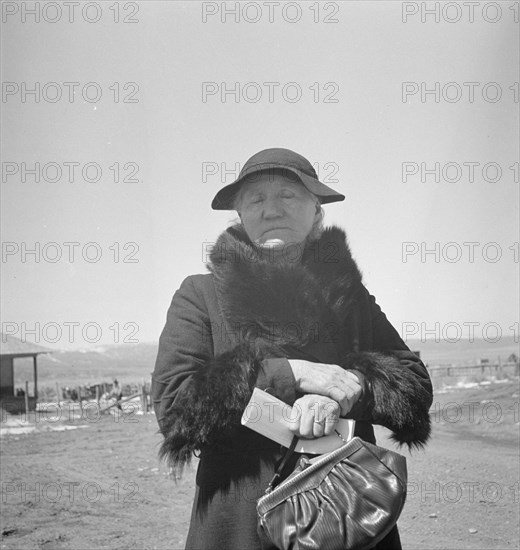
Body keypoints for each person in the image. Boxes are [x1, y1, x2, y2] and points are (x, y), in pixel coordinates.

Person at [152, 148, 433, 550]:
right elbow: (175, 406)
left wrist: (347, 392)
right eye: (256, 199)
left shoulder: (349, 297)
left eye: (288, 196)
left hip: (345, 517)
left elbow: (413, 385)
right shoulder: (201, 295)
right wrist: (292, 374)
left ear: (317, 213)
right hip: (240, 525)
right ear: (241, 215)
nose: (271, 211)